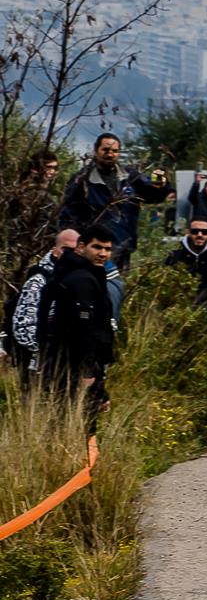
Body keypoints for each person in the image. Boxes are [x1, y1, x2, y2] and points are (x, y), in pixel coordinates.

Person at [58, 132, 170, 317]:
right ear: (96, 151)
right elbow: (68, 214)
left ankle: (112, 325)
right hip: (93, 249)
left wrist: (162, 184)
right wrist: (73, 244)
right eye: (106, 150)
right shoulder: (82, 180)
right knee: (91, 293)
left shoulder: (130, 177)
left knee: (116, 292)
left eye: (115, 151)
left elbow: (153, 195)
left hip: (122, 246)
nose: (110, 154)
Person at [36, 225, 119, 412]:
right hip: (74, 367)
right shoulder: (82, 280)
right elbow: (83, 331)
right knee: (77, 417)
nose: (103, 254)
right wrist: (89, 372)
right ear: (81, 247)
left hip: (63, 363)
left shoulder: (75, 272)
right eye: (97, 247)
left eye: (107, 249)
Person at [5, 229, 75, 380]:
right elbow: (23, 326)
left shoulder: (73, 278)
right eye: (65, 249)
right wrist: (44, 352)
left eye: (74, 250)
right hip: (36, 363)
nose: (69, 254)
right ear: (55, 250)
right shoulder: (38, 281)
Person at [165, 215, 207, 311]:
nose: (199, 235)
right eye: (195, 231)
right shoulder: (174, 257)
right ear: (188, 232)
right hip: (178, 311)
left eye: (204, 232)